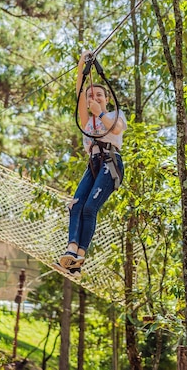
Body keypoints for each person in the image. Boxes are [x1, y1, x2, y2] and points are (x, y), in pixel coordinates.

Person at [53, 51, 127, 278]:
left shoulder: (114, 114)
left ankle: (80, 254)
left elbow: (116, 129)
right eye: (91, 96)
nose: (94, 98)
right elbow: (79, 93)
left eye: (99, 95)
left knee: (89, 208)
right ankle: (71, 252)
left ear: (107, 99)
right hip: (94, 164)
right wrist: (80, 69)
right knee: (75, 205)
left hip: (110, 162)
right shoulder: (88, 120)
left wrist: (101, 111)